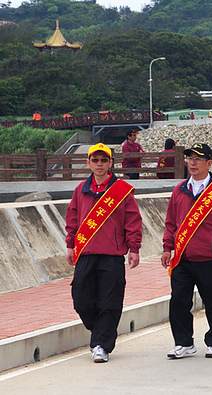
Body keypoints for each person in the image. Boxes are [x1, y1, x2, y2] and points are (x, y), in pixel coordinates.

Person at [65, 143, 142, 363]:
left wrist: (134, 248)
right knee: (81, 299)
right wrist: (70, 244)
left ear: (110, 163)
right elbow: (72, 219)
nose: (99, 165)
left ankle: (101, 345)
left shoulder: (122, 190)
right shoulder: (81, 190)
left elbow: (133, 221)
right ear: (88, 163)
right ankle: (99, 330)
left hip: (112, 254)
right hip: (85, 253)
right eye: (95, 160)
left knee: (110, 301)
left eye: (104, 160)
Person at [161, 143, 212, 360]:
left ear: (209, 163)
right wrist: (168, 247)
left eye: (198, 159)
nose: (192, 163)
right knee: (179, 301)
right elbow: (171, 224)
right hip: (182, 258)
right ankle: (183, 343)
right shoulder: (180, 190)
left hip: (210, 258)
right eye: (189, 159)